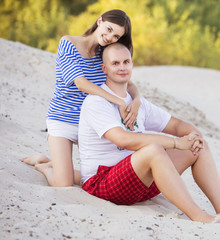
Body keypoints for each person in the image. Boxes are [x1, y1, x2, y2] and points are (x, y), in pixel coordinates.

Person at [79, 42, 220, 223]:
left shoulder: (136, 103)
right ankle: (199, 216)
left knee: (196, 146)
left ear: (132, 64)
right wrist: (175, 143)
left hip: (139, 183)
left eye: (126, 62)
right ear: (104, 68)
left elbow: (176, 125)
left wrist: (194, 135)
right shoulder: (97, 101)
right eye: (115, 63)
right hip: (104, 183)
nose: (122, 67)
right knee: (153, 150)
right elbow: (123, 140)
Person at [21, 9, 141, 187]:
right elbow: (81, 83)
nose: (109, 37)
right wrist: (118, 101)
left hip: (92, 124)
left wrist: (137, 100)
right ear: (99, 21)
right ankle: (44, 165)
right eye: (108, 29)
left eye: (116, 36)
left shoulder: (106, 54)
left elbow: (128, 83)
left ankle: (60, 166)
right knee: (63, 183)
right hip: (63, 119)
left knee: (109, 175)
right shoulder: (68, 43)